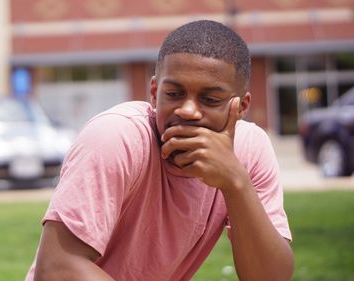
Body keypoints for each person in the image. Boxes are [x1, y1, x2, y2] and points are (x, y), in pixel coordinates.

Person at [25, 20, 294, 281]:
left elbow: (271, 276)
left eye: (210, 100)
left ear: (242, 106)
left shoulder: (250, 150)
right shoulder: (116, 137)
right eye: (174, 94)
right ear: (154, 93)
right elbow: (58, 270)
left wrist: (236, 183)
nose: (188, 111)